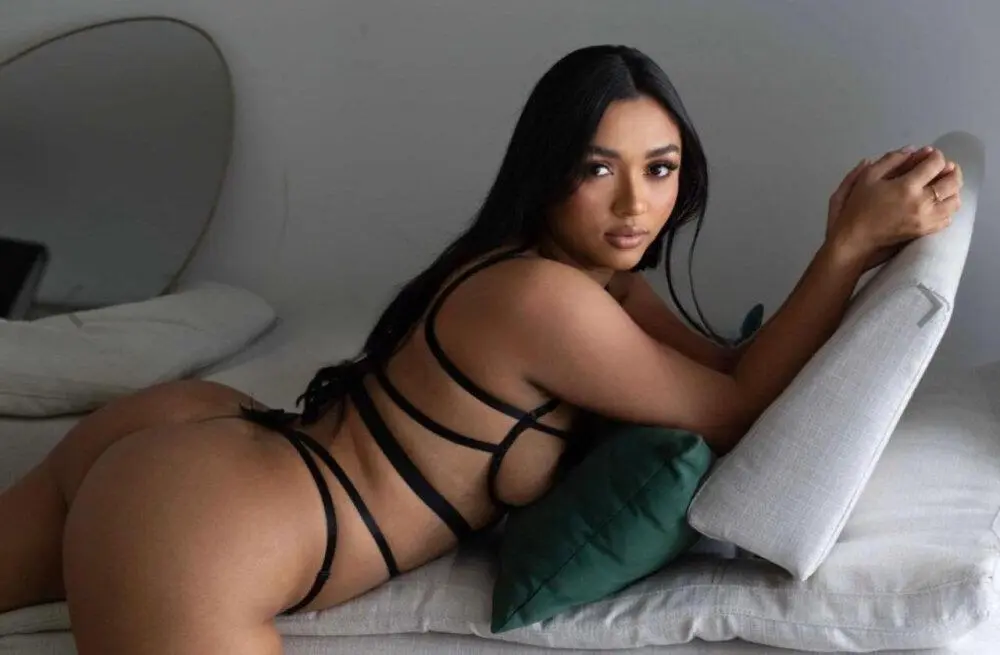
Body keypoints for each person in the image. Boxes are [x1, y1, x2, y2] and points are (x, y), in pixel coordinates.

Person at [0, 44, 962, 654]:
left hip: (211, 442)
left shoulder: (591, 280)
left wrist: (851, 253)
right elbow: (737, 408)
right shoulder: (545, 296)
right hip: (211, 520)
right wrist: (842, 251)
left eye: (661, 169)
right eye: (598, 169)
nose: (637, 203)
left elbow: (721, 374)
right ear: (547, 172)